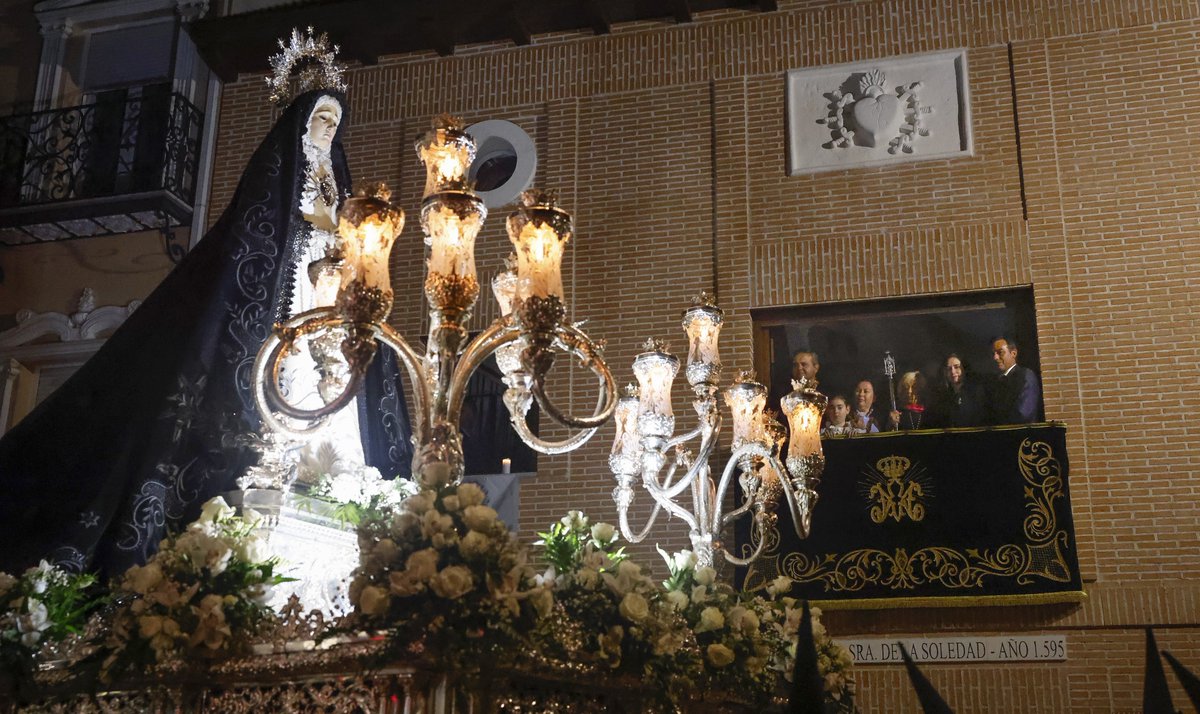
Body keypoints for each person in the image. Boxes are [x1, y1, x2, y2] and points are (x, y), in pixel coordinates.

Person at [0, 79, 412, 576]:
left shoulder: (335, 182)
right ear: (302, 126)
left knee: (340, 383)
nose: (328, 130)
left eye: (334, 123)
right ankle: (279, 463)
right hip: (290, 286)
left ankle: (333, 475)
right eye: (320, 120)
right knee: (291, 372)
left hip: (330, 290)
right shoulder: (284, 180)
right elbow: (267, 231)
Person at [987, 336, 1042, 424]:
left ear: (1013, 353)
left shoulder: (1026, 376)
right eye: (993, 353)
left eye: (1000, 352)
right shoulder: (995, 382)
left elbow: (1023, 414)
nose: (995, 357)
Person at [928, 353, 985, 428]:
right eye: (949, 369)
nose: (952, 372)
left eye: (956, 367)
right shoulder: (943, 396)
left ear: (964, 369)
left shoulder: (976, 392)